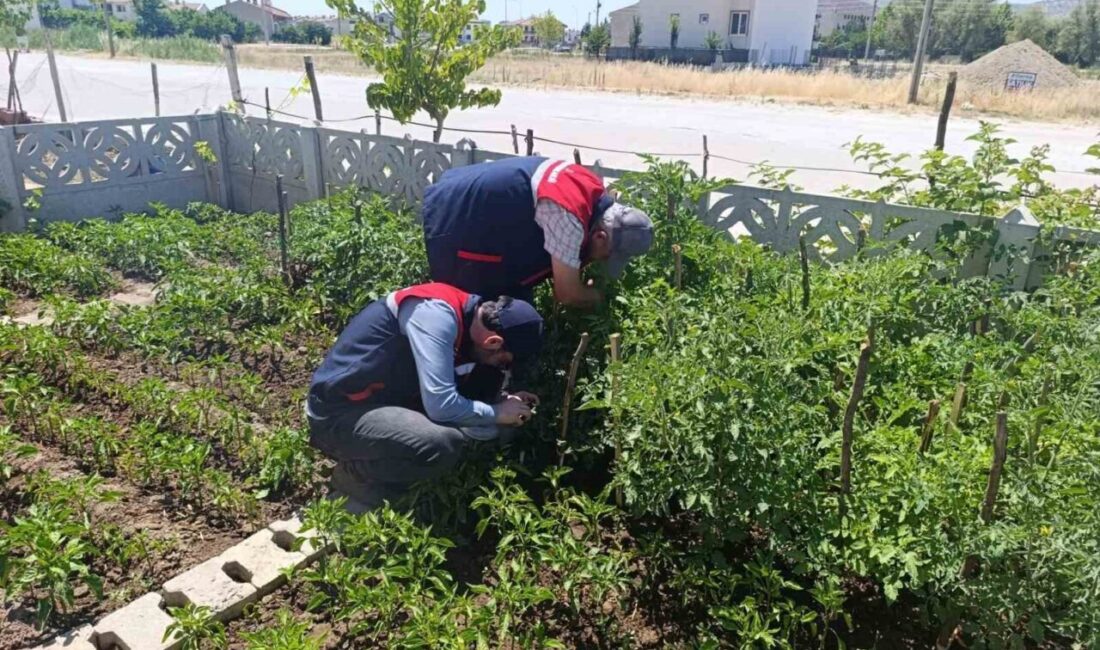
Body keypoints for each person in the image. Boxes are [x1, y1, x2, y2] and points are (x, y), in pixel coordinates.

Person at [306, 282, 544, 508]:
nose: (502, 368)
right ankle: (355, 477)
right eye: (504, 362)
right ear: (493, 341)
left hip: (383, 401)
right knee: (441, 443)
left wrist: (500, 400)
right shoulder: (436, 317)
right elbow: (441, 405)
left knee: (478, 412)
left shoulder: (469, 317)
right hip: (336, 415)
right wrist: (496, 413)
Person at [422, 156, 655, 308]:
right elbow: (568, 293)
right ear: (600, 236)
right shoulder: (568, 217)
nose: (601, 261)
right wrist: (601, 297)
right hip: (454, 216)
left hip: (467, 190)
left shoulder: (591, 188)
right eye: (606, 256)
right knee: (474, 309)